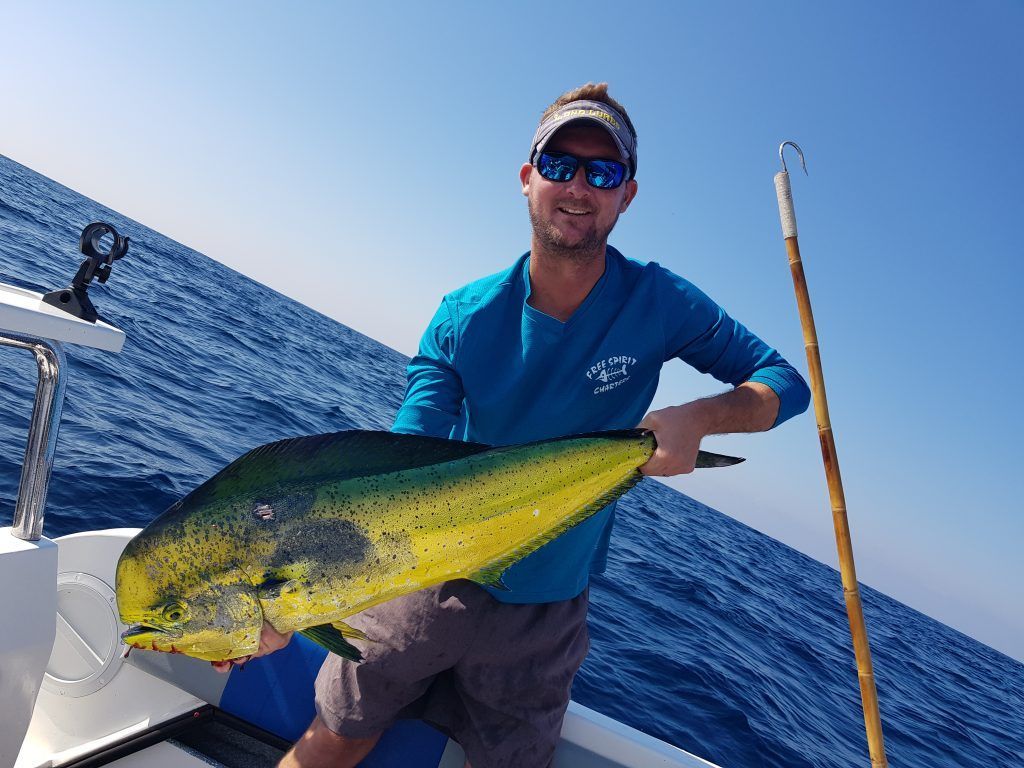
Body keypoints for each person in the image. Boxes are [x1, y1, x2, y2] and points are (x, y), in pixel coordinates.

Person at [221, 82, 810, 768]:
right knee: (335, 739)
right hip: (424, 582)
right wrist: (284, 608)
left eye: (604, 171)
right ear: (528, 180)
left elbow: (783, 383)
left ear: (628, 195)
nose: (579, 186)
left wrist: (701, 417)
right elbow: (400, 459)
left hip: (546, 611)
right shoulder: (464, 316)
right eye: (560, 165)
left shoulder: (663, 301)